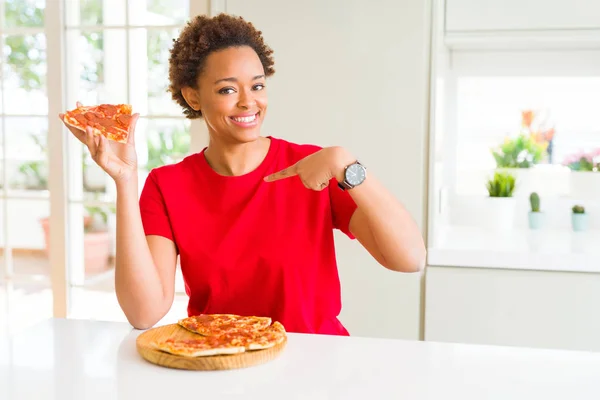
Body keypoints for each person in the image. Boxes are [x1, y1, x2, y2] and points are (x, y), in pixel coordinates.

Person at [59, 13, 426, 335]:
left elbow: (410, 259)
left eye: (258, 85)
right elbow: (143, 313)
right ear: (193, 97)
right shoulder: (167, 186)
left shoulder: (318, 167)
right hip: (220, 364)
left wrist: (346, 163)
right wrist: (125, 181)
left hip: (317, 366)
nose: (248, 101)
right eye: (227, 89)